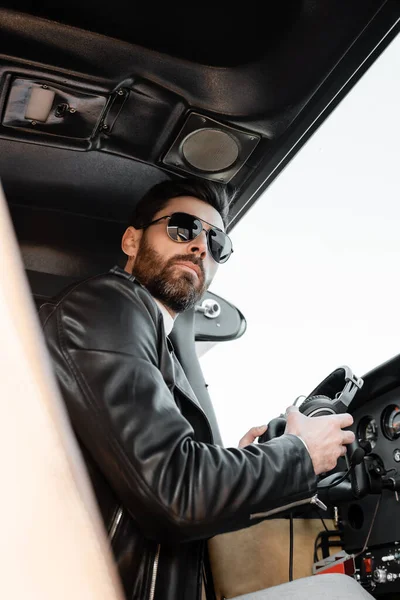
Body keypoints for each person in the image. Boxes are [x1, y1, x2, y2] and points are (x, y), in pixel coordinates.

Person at [41, 178, 371, 600]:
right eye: (183, 227)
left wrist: (251, 458)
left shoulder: (148, 341)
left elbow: (161, 473)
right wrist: (300, 456)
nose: (200, 246)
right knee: (341, 594)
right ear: (131, 240)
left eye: (218, 243)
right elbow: (174, 491)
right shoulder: (106, 306)